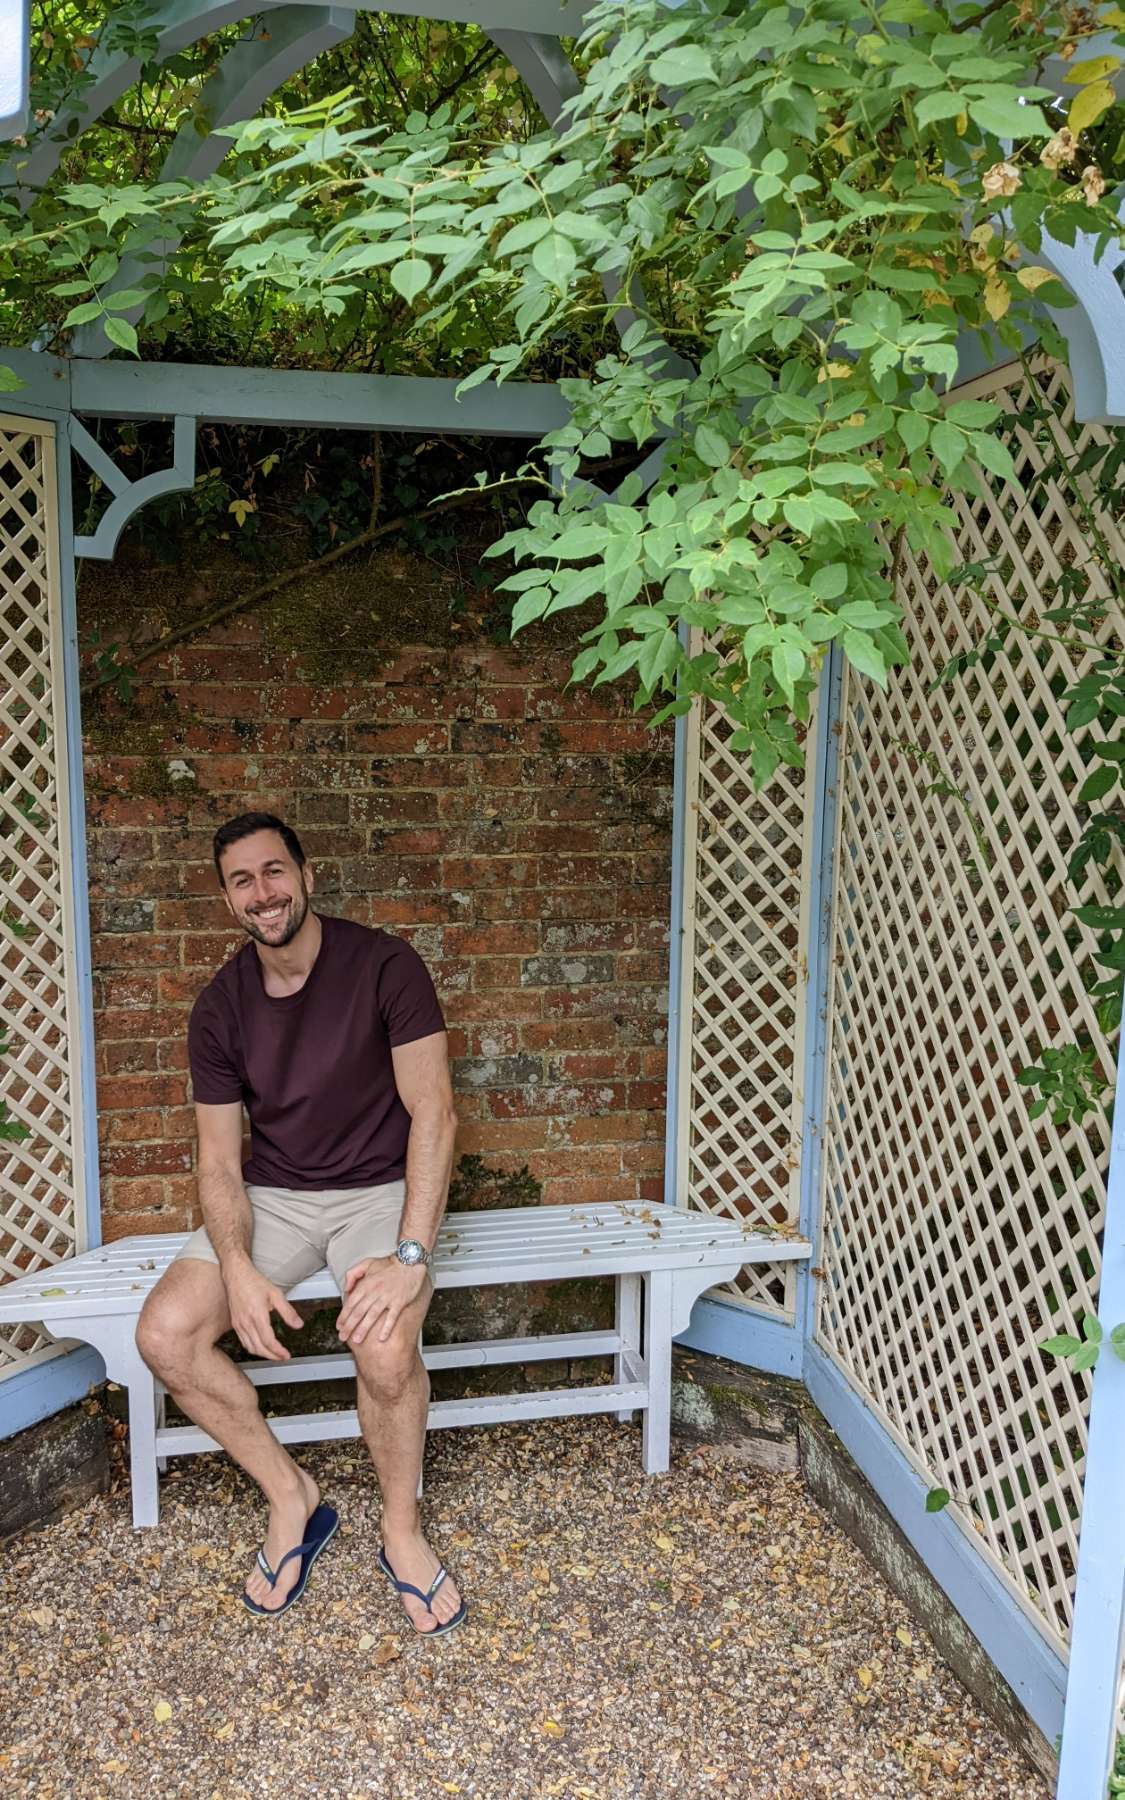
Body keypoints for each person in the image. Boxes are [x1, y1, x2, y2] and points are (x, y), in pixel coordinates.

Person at [136, 811, 465, 1634]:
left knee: (384, 1349)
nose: (263, 892)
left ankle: (400, 1530)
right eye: (242, 881)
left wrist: (410, 1255)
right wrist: (238, 1266)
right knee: (166, 1335)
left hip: (380, 1190)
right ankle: (292, 1496)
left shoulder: (385, 966)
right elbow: (219, 1161)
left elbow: (435, 1113)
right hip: (275, 1197)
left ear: (307, 875)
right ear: (228, 900)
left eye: (274, 871)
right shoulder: (220, 1007)